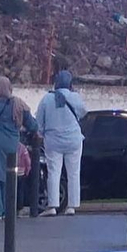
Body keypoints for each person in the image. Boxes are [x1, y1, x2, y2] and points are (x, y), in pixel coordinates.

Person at [0, 77, 39, 220]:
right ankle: (7, 210)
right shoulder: (19, 104)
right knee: (8, 177)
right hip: (11, 144)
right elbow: (32, 124)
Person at [35, 70, 87, 216]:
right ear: (70, 84)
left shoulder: (46, 99)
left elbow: (39, 121)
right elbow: (83, 112)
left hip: (53, 140)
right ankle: (72, 206)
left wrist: (41, 133)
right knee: (74, 173)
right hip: (73, 139)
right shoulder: (75, 97)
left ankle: (52, 206)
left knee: (53, 172)